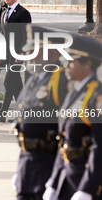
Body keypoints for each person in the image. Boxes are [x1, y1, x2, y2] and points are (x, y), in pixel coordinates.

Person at [43, 34, 102, 200]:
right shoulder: (73, 94)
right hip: (67, 177)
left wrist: (87, 189)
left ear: (88, 63)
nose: (66, 65)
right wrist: (53, 183)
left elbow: (99, 148)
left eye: (71, 61)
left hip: (85, 180)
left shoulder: (96, 97)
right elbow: (63, 142)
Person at [13, 26, 68, 200]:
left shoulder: (62, 81)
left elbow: (69, 133)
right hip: (28, 167)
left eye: (34, 49)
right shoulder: (36, 78)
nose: (29, 52)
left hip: (48, 167)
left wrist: (56, 179)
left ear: (51, 51)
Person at [0, 0, 32, 121]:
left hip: (17, 54)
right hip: (6, 53)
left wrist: (22, 54)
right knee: (16, 85)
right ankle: (25, 114)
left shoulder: (23, 13)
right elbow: (1, 34)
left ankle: (1, 113)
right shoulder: (4, 12)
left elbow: (26, 35)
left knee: (8, 81)